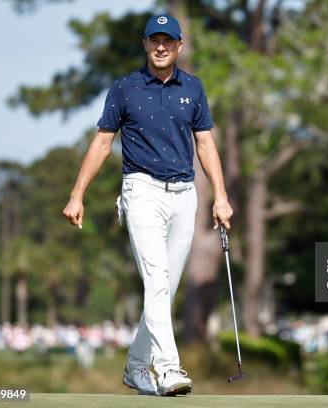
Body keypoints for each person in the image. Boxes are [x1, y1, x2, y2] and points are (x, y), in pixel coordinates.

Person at [62, 14, 233, 396]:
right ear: (145, 45)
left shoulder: (194, 88)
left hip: (185, 194)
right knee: (156, 280)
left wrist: (220, 197)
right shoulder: (124, 89)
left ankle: (136, 367)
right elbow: (103, 143)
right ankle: (167, 368)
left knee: (166, 288)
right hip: (141, 191)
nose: (161, 47)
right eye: (154, 40)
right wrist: (78, 194)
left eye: (168, 41)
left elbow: (205, 145)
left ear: (179, 46)